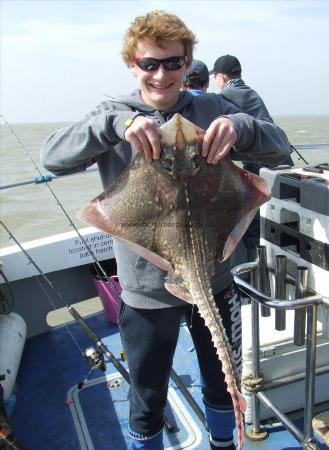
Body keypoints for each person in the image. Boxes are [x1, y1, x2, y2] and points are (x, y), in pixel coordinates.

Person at [41, 11, 291, 450]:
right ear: (133, 64)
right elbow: (53, 157)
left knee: (220, 382)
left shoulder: (213, 108)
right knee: (148, 394)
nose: (161, 74)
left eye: (173, 63)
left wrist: (241, 127)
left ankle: (223, 443)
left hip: (215, 279)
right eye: (150, 64)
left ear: (187, 63)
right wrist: (114, 126)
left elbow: (280, 148)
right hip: (144, 291)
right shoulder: (112, 115)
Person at [210, 54, 293, 261]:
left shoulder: (227, 95)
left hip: (262, 168)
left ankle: (255, 273)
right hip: (280, 162)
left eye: (215, 77)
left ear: (220, 76)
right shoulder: (250, 92)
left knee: (255, 226)